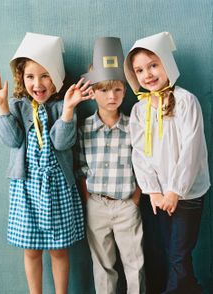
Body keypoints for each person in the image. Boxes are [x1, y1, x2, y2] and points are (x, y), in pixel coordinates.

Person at [0, 32, 92, 294]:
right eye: (30, 76)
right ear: (21, 77)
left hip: (57, 187)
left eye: (45, 75)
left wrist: (67, 111)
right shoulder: (18, 106)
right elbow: (12, 140)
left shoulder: (62, 105)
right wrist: (1, 106)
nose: (38, 83)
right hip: (26, 187)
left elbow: (62, 143)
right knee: (31, 250)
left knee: (58, 249)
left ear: (55, 77)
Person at [124, 31, 210, 294]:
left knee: (178, 254)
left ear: (166, 65)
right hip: (159, 195)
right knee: (170, 252)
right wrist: (153, 190)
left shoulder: (186, 101)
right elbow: (139, 152)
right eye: (139, 70)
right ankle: (192, 288)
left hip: (186, 192)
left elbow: (191, 150)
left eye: (153, 65)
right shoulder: (140, 110)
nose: (147, 74)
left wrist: (175, 190)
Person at [78, 37, 145, 294]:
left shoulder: (133, 126)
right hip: (97, 204)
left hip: (127, 204)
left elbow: (142, 164)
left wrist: (135, 199)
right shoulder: (84, 128)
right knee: (103, 265)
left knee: (135, 263)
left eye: (117, 89)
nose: (111, 96)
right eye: (104, 90)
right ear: (92, 92)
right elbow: (81, 166)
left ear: (125, 91)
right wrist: (88, 198)